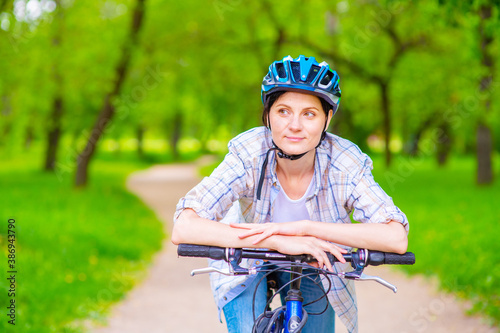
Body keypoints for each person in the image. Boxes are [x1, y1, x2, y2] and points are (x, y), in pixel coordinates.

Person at [172, 55, 409, 333]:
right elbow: (184, 226)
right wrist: (278, 239)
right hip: (248, 259)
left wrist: (305, 229)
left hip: (314, 261)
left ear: (327, 119)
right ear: (268, 115)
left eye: (309, 113)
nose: (294, 125)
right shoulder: (249, 152)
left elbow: (395, 236)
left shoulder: (345, 161)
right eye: (283, 111)